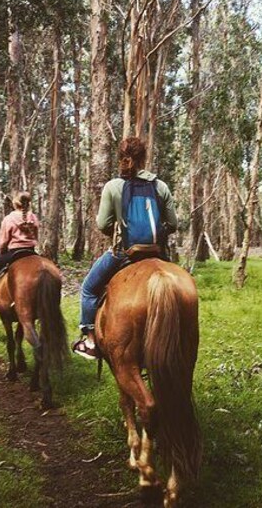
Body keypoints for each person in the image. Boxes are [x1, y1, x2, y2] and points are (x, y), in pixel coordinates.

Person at [72, 136, 178, 360]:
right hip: (157, 253)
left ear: (121, 158)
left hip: (124, 254)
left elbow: (102, 224)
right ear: (144, 157)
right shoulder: (160, 186)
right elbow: (173, 224)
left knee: (89, 289)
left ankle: (91, 342)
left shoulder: (113, 187)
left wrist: (119, 230)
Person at [0, 191, 39, 311]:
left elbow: (3, 241)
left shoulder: (9, 218)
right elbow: (36, 236)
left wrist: (2, 251)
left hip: (14, 252)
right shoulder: (33, 217)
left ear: (15, 203)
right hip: (31, 251)